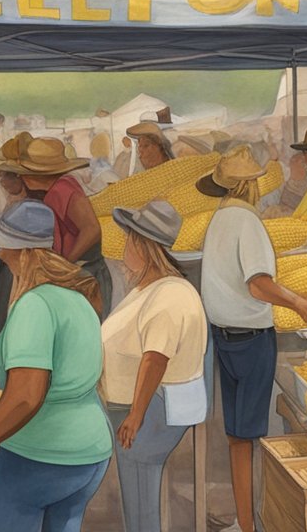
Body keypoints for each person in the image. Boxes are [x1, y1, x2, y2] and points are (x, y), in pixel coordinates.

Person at [0, 201, 110, 532]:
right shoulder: (77, 297)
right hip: (89, 452)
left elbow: (27, 394)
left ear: (22, 252)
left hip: (39, 454)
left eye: (4, 248)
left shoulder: (34, 305)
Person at [197, 146, 307, 532]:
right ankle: (260, 522)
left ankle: (245, 522)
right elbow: (258, 283)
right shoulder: (248, 222)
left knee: (238, 436)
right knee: (258, 433)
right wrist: (299, 302)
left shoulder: (218, 219)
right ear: (250, 185)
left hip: (223, 336)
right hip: (251, 340)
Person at [100, 200, 208, 532]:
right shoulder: (150, 288)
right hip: (136, 403)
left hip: (151, 408)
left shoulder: (169, 296)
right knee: (135, 488)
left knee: (140, 491)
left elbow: (155, 359)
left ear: (144, 247)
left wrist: (136, 415)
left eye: (129, 241)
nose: (123, 249)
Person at [1, 136, 113, 320]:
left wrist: (64, 264)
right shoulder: (54, 191)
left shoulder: (63, 190)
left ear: (35, 174)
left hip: (86, 273)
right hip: (76, 273)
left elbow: (92, 229)